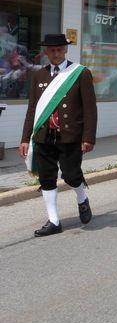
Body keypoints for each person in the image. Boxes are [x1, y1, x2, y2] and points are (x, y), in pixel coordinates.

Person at [19, 34, 97, 236]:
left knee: (71, 175)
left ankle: (82, 198)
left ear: (66, 50)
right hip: (44, 135)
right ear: (46, 52)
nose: (56, 54)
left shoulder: (80, 73)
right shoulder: (39, 75)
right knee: (46, 177)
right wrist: (25, 138)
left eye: (59, 49)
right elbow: (32, 109)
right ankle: (54, 221)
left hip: (70, 135)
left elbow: (90, 109)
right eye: (52, 50)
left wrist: (88, 137)